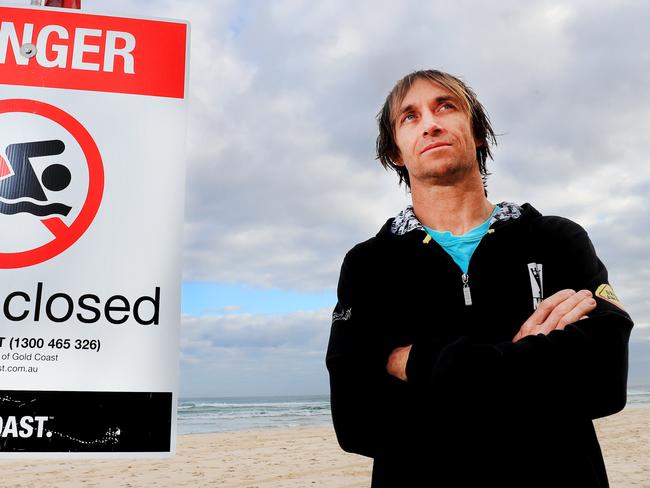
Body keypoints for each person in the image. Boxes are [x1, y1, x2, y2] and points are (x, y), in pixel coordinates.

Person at [325, 70, 633, 487]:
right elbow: (358, 420)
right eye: (409, 117)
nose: (430, 123)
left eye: (445, 106)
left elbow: (604, 380)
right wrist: (530, 362)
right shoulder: (369, 264)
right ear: (396, 151)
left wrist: (415, 362)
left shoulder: (557, 239)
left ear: (478, 132)